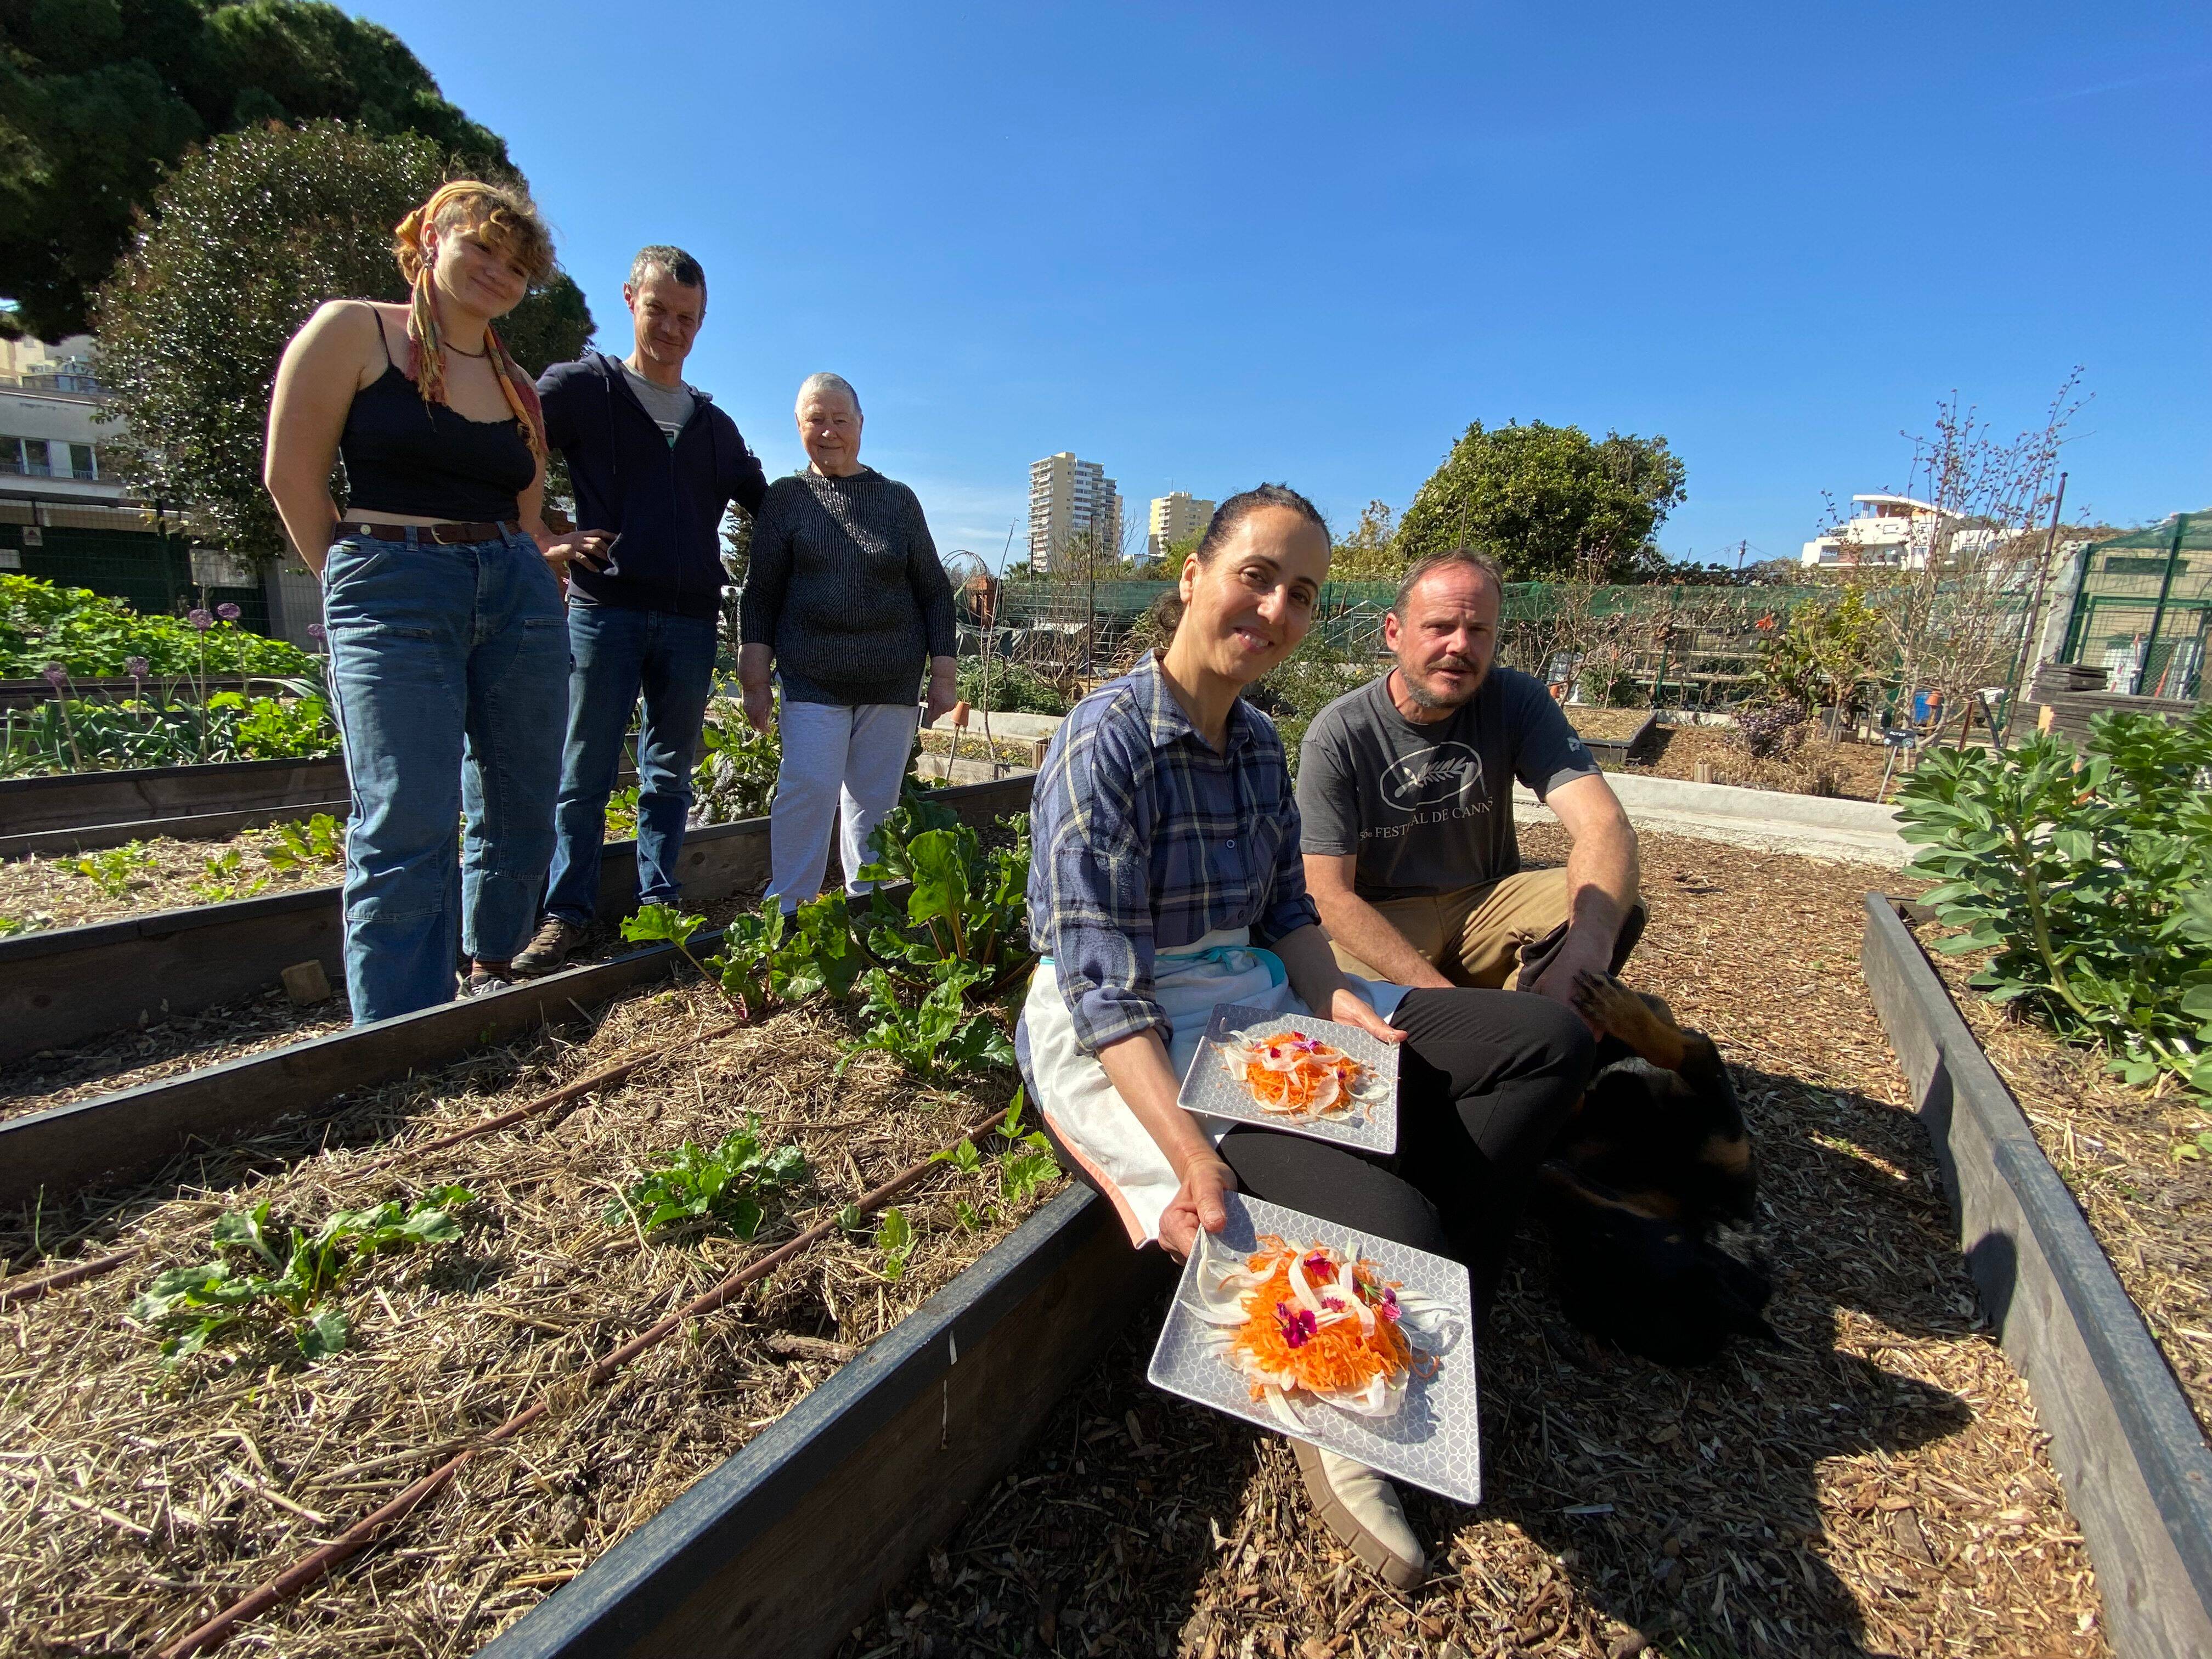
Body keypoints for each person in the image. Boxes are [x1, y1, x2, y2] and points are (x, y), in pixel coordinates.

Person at [1020, 486, 1595, 1590]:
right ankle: (1340, 1408)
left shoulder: (1255, 744)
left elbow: (1290, 911)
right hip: (1154, 1026)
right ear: (1193, 575)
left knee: (1544, 1046)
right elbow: (1100, 992)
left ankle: (1419, 1292)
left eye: (1303, 593)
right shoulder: (1107, 744)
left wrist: (1339, 1004)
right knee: (1399, 1214)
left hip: (1263, 1008)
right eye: (1257, 575)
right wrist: (1191, 1156)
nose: (1277, 607)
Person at [264, 179, 601, 1022]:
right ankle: (401, 1032)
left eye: (517, 264)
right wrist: (358, 580)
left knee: (523, 801)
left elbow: (526, 517)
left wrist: (528, 573)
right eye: (482, 247)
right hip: (392, 583)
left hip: (514, 590)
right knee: (406, 811)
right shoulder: (356, 331)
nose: (498, 272)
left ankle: (491, 966)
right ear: (432, 239)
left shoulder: (517, 383)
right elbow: (291, 475)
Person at [511, 246, 769, 975]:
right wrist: (545, 538)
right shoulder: (582, 390)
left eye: (688, 318)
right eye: (659, 310)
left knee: (668, 776)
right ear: (631, 300)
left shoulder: (713, 428)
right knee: (584, 769)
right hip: (606, 611)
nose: (672, 329)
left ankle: (660, 906)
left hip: (690, 622)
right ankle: (566, 915)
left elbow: (771, 507)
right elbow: (509, 443)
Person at [1297, 546, 1644, 1019]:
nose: (1460, 646)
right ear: (1394, 633)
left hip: (1487, 903)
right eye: (1440, 627)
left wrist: (1584, 960)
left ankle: (1538, 1024)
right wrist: (1448, 1002)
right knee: (1339, 1001)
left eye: (1479, 630)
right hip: (1386, 915)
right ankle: (1496, 1025)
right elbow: (1330, 894)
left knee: (1607, 903)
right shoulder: (1341, 732)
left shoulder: (1515, 700)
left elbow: (1605, 824)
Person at [737, 374, 957, 911]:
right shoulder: (787, 500)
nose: (829, 431)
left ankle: (870, 908)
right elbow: (760, 593)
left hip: (891, 683)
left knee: (873, 804)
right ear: (799, 426)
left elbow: (933, 591)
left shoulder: (897, 501)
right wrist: (754, 678)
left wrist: (945, 677)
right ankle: (787, 910)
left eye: (840, 419)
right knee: (807, 790)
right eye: (816, 419)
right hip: (813, 678)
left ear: (860, 425)